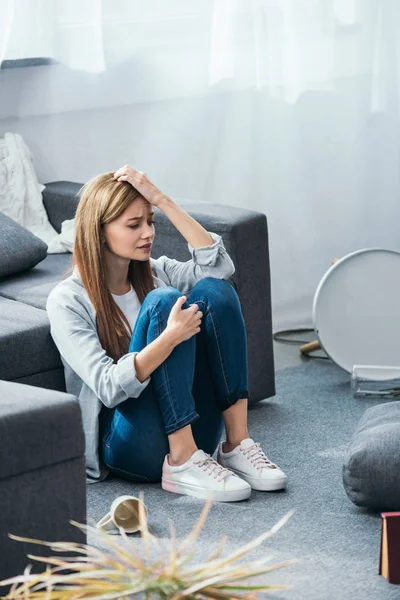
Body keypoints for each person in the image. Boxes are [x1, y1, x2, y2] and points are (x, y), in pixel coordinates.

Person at [46, 165, 287, 502]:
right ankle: (182, 460)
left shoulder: (155, 272)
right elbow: (108, 387)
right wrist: (169, 337)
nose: (148, 233)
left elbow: (219, 269)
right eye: (133, 225)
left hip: (192, 426)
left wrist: (162, 200)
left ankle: (235, 443)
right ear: (99, 232)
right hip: (130, 444)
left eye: (150, 222)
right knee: (164, 302)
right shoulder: (68, 301)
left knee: (215, 292)